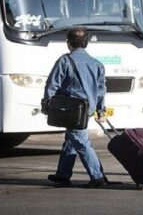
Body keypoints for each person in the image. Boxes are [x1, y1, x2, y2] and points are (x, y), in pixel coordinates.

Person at [42, 27, 108, 188]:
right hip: (87, 109)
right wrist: (101, 110)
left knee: (81, 142)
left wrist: (46, 104)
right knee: (71, 140)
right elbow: (101, 90)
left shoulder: (64, 61)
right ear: (86, 43)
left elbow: (52, 84)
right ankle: (63, 175)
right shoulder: (97, 64)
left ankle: (98, 177)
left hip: (71, 110)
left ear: (68, 43)